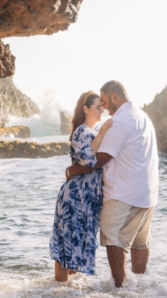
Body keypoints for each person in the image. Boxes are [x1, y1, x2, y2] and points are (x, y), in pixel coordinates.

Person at [66, 81, 159, 288]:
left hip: (123, 194)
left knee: (113, 240)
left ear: (115, 97)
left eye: (105, 101)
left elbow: (99, 158)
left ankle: (120, 289)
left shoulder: (122, 120)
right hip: (147, 194)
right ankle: (140, 288)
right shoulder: (142, 116)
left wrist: (72, 170)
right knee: (139, 243)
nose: (105, 107)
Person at [49, 90, 113, 282]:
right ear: (86, 109)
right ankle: (56, 294)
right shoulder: (82, 131)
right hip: (76, 197)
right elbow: (86, 159)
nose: (101, 110)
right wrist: (102, 133)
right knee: (67, 248)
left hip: (87, 199)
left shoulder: (92, 132)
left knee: (78, 247)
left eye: (102, 107)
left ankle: (64, 297)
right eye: (97, 107)